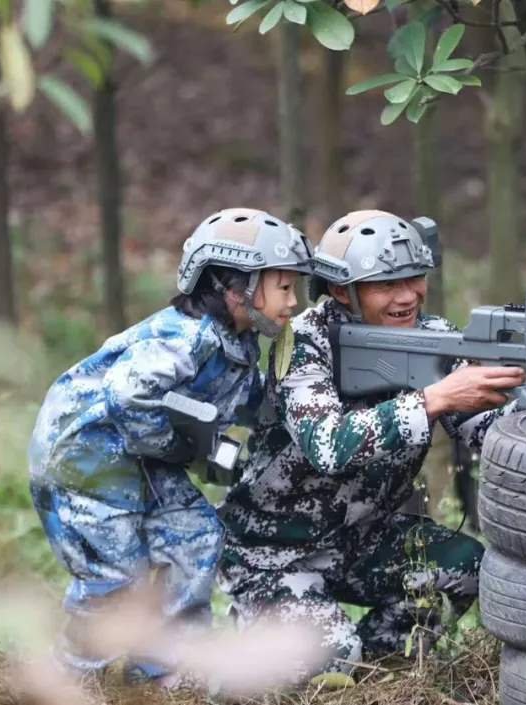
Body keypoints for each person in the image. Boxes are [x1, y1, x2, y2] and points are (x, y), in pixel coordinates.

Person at [218, 209, 525, 678]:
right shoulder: (303, 342)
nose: (407, 297)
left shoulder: (433, 337)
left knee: (464, 567)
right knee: (330, 655)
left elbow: (485, 429)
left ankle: (382, 678)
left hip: (359, 542)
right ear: (343, 290)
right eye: (386, 285)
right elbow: (327, 444)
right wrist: (435, 399)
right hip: (270, 554)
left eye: (414, 278)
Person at [28, 207, 313, 685]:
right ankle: (68, 681)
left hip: (139, 457)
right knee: (115, 581)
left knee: (198, 537)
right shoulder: (183, 339)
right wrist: (182, 450)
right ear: (234, 287)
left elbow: (249, 404)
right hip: (85, 459)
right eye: (283, 287)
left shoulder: (239, 343)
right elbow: (127, 396)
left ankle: (168, 669)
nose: (293, 301)